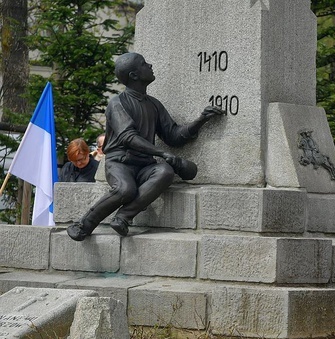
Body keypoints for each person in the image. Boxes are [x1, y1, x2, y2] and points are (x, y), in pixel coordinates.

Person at [66, 52, 224, 241]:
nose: (149, 65)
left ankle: (123, 217)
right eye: (143, 64)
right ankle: (84, 225)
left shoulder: (154, 105)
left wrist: (201, 119)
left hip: (144, 165)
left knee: (165, 172)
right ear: (134, 75)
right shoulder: (117, 103)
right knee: (125, 189)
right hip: (119, 163)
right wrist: (162, 153)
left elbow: (173, 135)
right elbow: (128, 137)